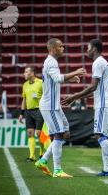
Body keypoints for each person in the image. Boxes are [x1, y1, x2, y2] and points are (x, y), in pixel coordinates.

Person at [62, 39, 108, 177]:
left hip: (103, 104)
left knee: (100, 135)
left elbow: (92, 86)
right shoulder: (103, 62)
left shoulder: (97, 63)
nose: (86, 50)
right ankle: (107, 169)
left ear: (94, 49)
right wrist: (78, 96)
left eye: (88, 48)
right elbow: (95, 89)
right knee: (105, 137)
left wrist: (74, 96)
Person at [35, 38, 86, 178]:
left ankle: (43, 160)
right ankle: (57, 170)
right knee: (58, 134)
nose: (63, 48)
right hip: (50, 106)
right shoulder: (51, 61)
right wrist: (75, 72)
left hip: (54, 106)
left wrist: (70, 78)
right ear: (52, 49)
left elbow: (55, 79)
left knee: (65, 132)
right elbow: (58, 78)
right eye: (60, 46)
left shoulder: (51, 61)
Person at [18, 66, 44, 162]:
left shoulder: (41, 83)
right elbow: (24, 99)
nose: (24, 74)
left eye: (26, 72)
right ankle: (32, 156)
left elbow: (47, 96)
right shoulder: (25, 85)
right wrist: (21, 113)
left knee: (39, 133)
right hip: (28, 112)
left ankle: (42, 153)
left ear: (32, 73)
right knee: (30, 133)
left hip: (39, 110)